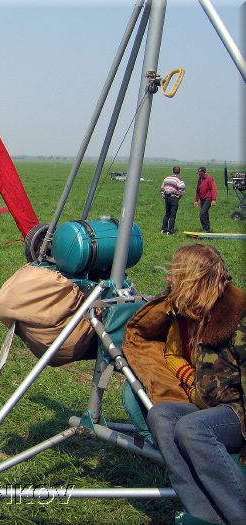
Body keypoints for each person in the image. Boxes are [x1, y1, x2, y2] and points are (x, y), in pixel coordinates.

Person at [123, 244, 245, 524]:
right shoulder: (186, 311)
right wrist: (191, 381)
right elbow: (172, 353)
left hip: (238, 412)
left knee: (193, 428)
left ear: (194, 278)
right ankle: (204, 517)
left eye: (176, 272)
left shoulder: (238, 317)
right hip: (210, 405)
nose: (169, 278)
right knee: (161, 415)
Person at [160, 166, 186, 234]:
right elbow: (182, 189)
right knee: (173, 214)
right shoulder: (179, 179)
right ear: (179, 172)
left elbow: (162, 188)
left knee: (167, 213)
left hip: (167, 197)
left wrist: (164, 196)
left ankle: (164, 229)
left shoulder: (166, 178)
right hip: (174, 198)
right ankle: (171, 230)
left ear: (172, 171)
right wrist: (178, 196)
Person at [194, 166, 217, 233]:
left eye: (201, 173)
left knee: (202, 213)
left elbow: (213, 189)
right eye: (199, 173)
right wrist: (196, 200)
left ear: (205, 172)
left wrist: (213, 199)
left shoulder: (209, 179)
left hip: (208, 199)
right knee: (205, 214)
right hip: (202, 199)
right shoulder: (199, 179)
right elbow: (198, 190)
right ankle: (207, 229)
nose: (200, 174)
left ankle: (206, 229)